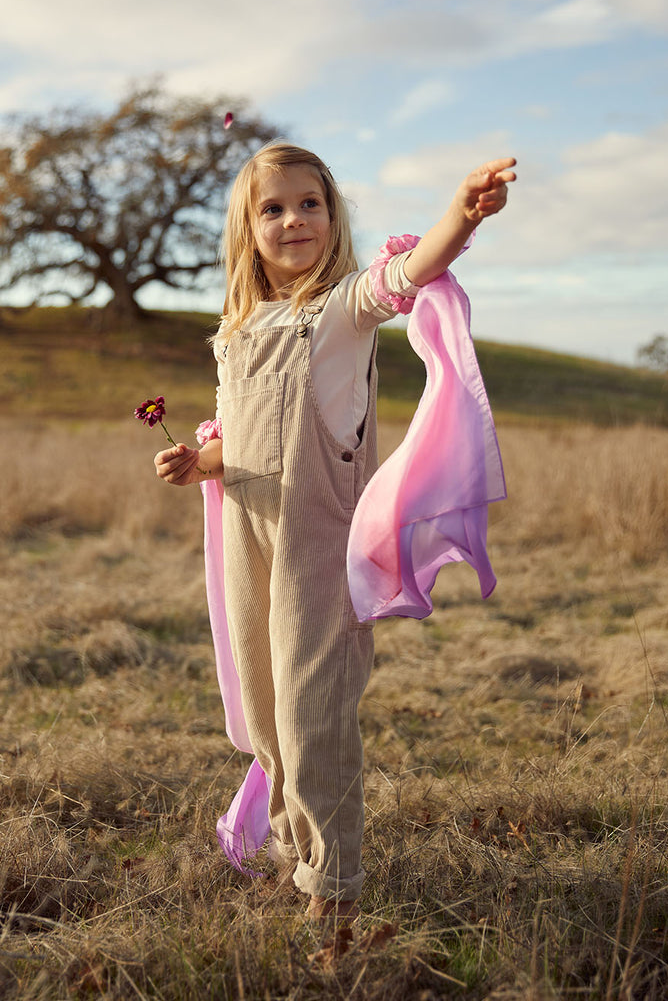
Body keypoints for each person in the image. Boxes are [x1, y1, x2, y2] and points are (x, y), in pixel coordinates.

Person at [153, 142, 515, 922]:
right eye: (272, 208)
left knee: (314, 714)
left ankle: (334, 887)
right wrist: (199, 462)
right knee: (268, 711)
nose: (293, 220)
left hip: (319, 547)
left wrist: (462, 210)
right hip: (252, 540)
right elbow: (245, 439)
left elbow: (412, 270)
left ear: (332, 214)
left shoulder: (343, 308)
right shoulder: (238, 327)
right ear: (247, 230)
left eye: (309, 204)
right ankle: (291, 853)